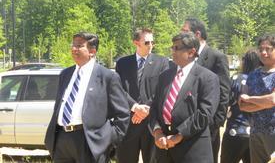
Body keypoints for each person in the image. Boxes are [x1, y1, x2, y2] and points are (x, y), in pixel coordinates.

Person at [44, 32, 130, 163]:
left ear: (92, 51)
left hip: (89, 142)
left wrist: (107, 140)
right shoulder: (65, 74)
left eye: (79, 46)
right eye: (73, 45)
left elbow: (123, 114)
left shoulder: (107, 76)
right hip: (61, 139)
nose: (74, 49)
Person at [149, 32, 220, 163]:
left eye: (177, 48)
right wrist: (157, 131)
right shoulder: (165, 76)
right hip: (163, 151)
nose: (172, 51)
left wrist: (179, 135)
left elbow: (205, 113)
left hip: (192, 150)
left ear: (191, 52)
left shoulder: (207, 78)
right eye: (172, 47)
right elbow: (154, 107)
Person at [115, 28, 169, 163]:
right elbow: (118, 89)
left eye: (152, 42)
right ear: (136, 43)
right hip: (128, 123)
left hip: (151, 124)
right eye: (146, 42)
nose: (150, 45)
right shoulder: (123, 63)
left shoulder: (162, 62)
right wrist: (135, 107)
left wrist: (144, 110)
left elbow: (162, 90)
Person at [181, 18, 231, 163]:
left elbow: (224, 92)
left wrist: (215, 124)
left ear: (197, 34)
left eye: (184, 31)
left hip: (207, 126)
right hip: (184, 126)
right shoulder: (185, 57)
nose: (181, 34)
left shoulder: (216, 57)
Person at [221, 49, 262, 163]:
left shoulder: (236, 78)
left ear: (245, 62)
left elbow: (226, 100)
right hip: (256, 133)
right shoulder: (261, 81)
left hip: (235, 131)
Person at [239, 34, 275, 163]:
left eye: (268, 49)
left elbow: (272, 100)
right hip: (255, 132)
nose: (264, 53)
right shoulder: (253, 75)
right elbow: (242, 105)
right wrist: (264, 103)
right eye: (261, 49)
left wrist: (249, 99)